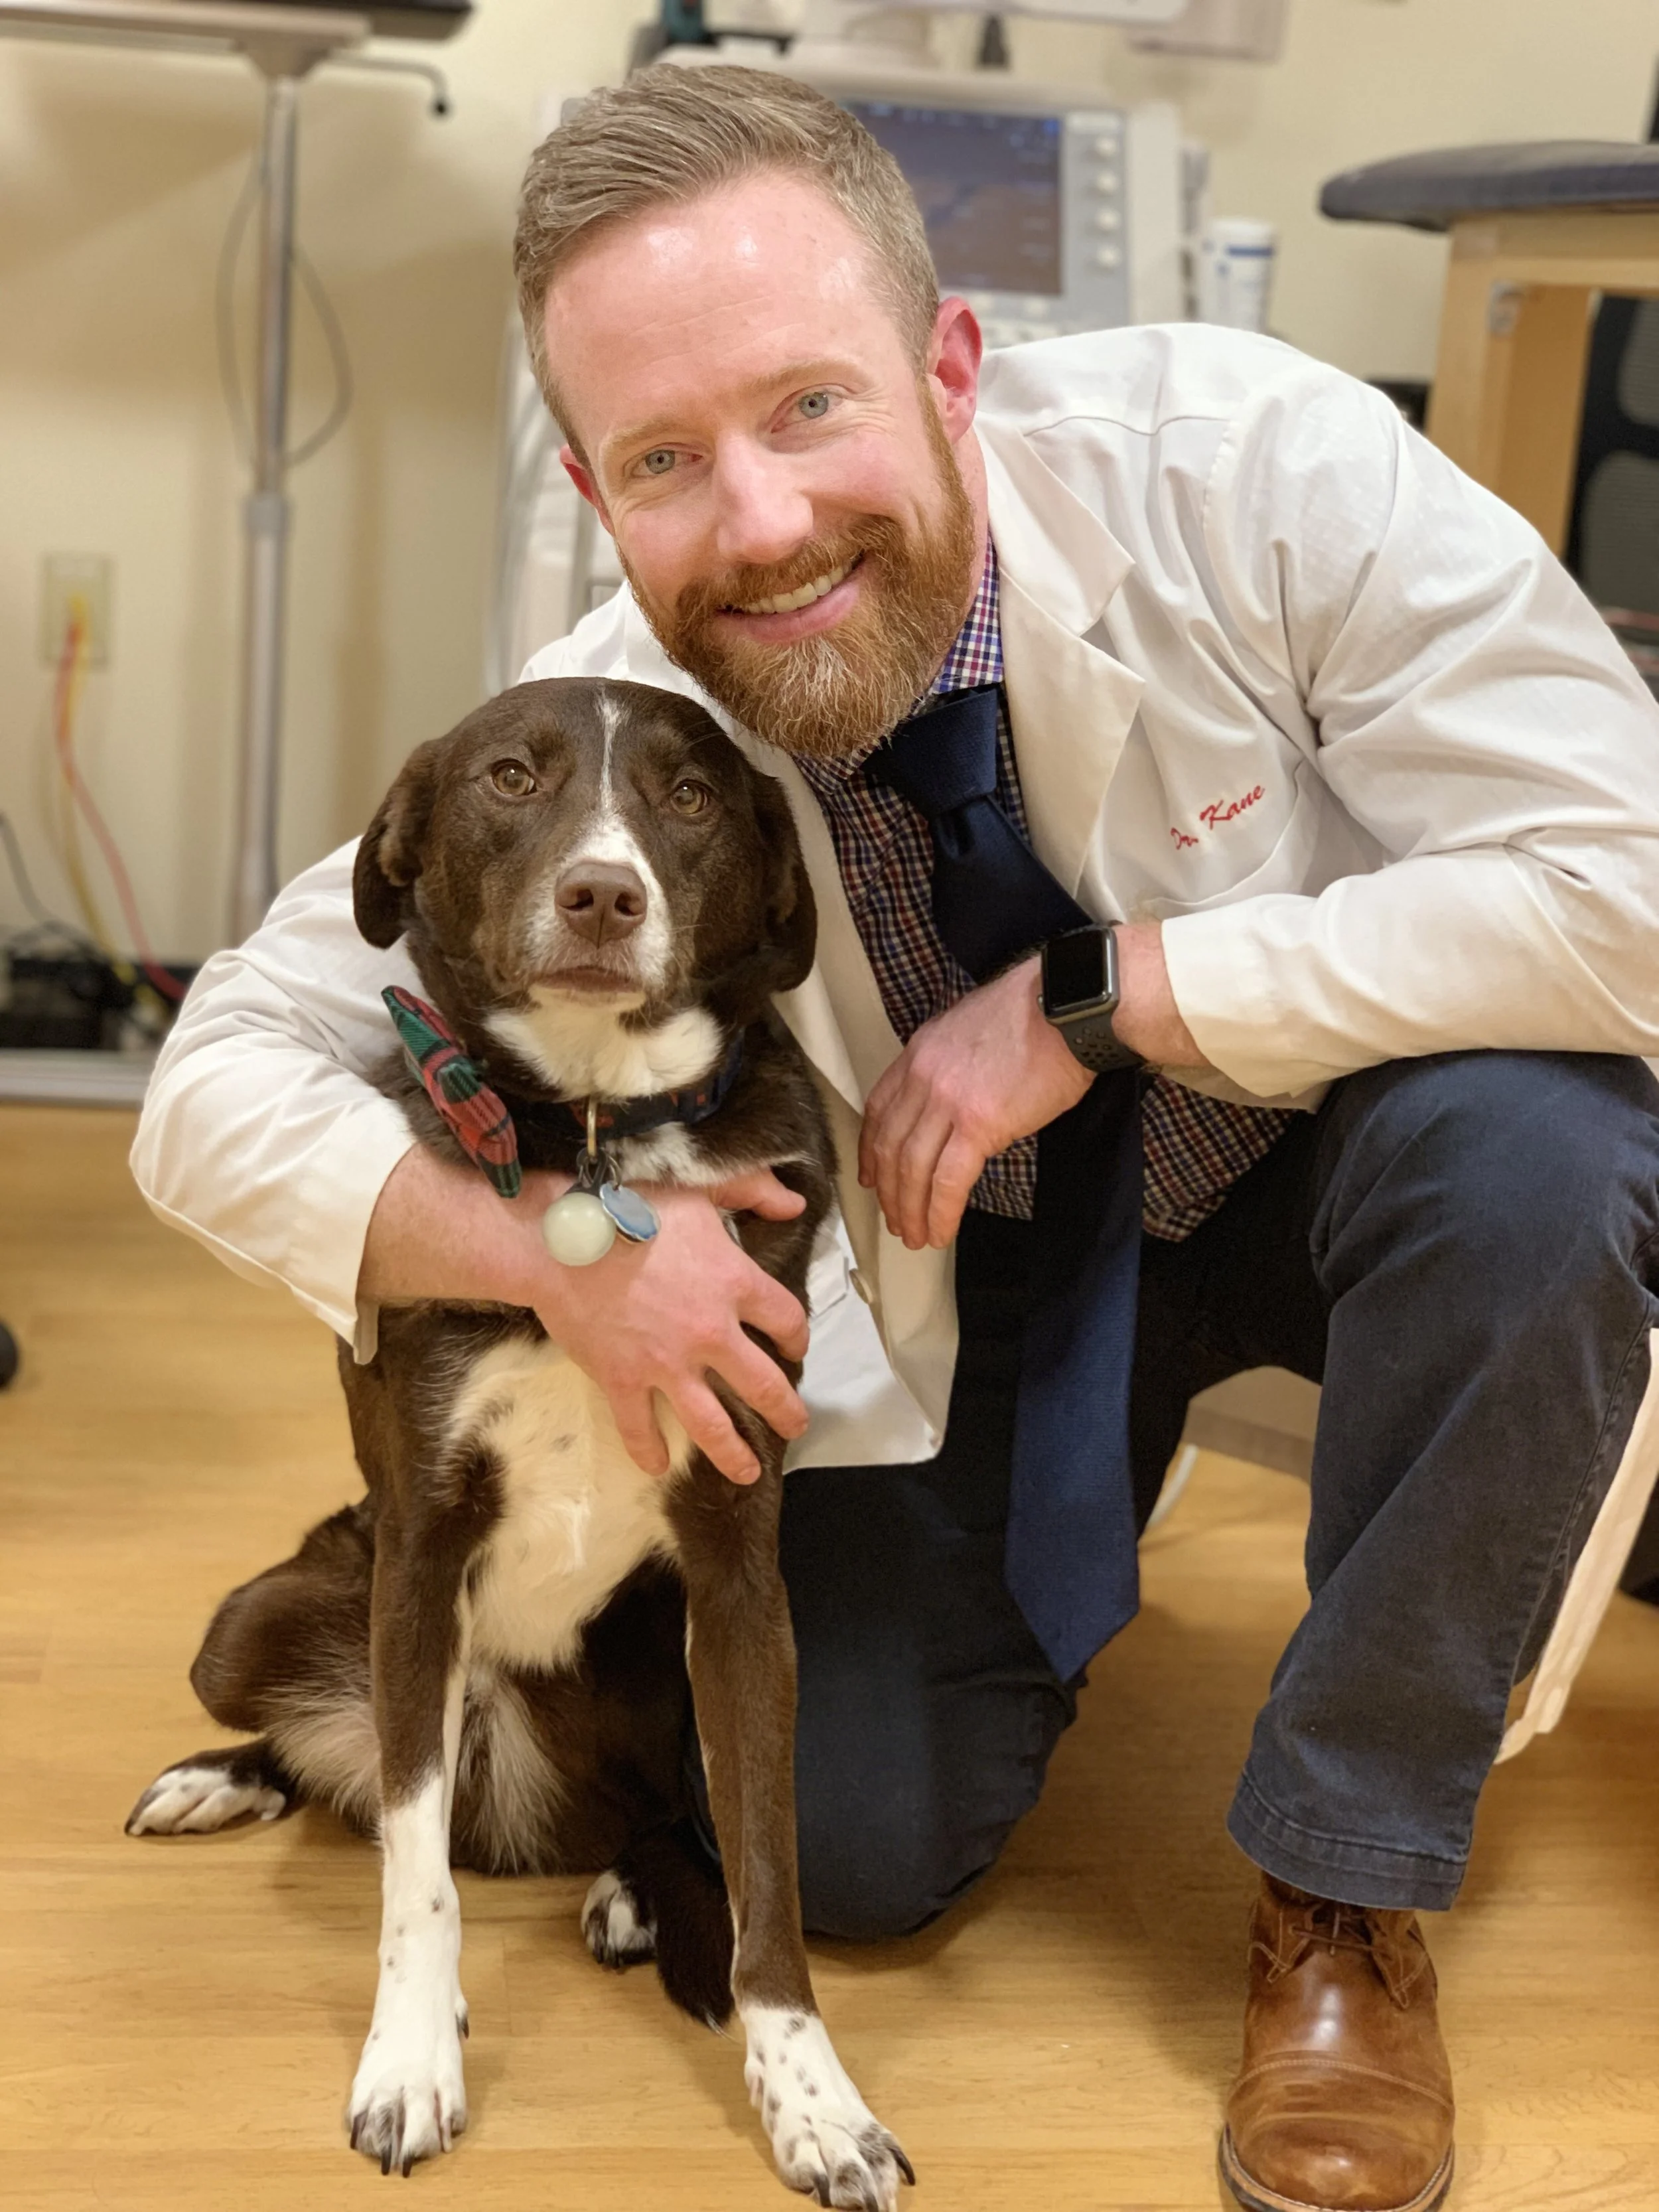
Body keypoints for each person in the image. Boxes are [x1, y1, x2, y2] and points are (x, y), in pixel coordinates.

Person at [133, 64, 1659, 2212]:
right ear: (593, 490)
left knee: (1550, 1151)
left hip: (1333, 1145)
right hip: (989, 1270)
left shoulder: (1256, 470)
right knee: (840, 1845)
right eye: (665, 459)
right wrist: (567, 1258)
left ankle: (1341, 1883)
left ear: (953, 362)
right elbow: (214, 1077)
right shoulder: (612, 739)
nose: (754, 524)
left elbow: (1636, 891)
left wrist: (1107, 996)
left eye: (807, 408)